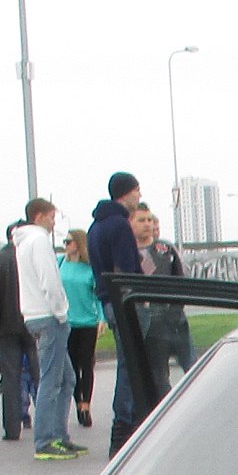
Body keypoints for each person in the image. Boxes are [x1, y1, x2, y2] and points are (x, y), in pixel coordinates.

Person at [14, 198, 81, 461]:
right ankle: (45, 440)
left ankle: (60, 435)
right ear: (40, 216)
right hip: (49, 316)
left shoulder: (22, 242)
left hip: (33, 315)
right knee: (51, 380)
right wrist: (61, 312)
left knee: (67, 379)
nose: (54, 223)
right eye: (52, 217)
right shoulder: (39, 240)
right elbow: (49, 280)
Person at [88, 172, 145, 454]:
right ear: (125, 193)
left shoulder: (95, 226)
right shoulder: (120, 225)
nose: (140, 197)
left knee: (126, 362)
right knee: (131, 364)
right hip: (124, 300)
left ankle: (123, 425)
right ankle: (125, 425)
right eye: (137, 191)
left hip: (107, 301)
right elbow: (126, 268)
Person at [131, 206, 197, 398]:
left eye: (149, 220)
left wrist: (177, 308)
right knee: (158, 373)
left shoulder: (165, 249)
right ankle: (168, 408)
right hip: (149, 319)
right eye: (141, 220)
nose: (147, 224)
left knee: (192, 365)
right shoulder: (128, 254)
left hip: (174, 317)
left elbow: (180, 279)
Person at [0, 223, 33, 441]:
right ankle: (50, 426)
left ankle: (12, 428)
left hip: (5, 326)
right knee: (41, 375)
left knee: (10, 378)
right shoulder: (31, 254)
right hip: (32, 321)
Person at [58, 228, 101, 429]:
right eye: (64, 242)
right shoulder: (60, 263)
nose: (66, 245)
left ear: (79, 244)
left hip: (88, 322)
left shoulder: (90, 268)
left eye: (69, 241)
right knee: (72, 366)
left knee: (86, 364)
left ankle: (86, 405)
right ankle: (78, 403)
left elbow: (98, 295)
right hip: (67, 322)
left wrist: (101, 319)